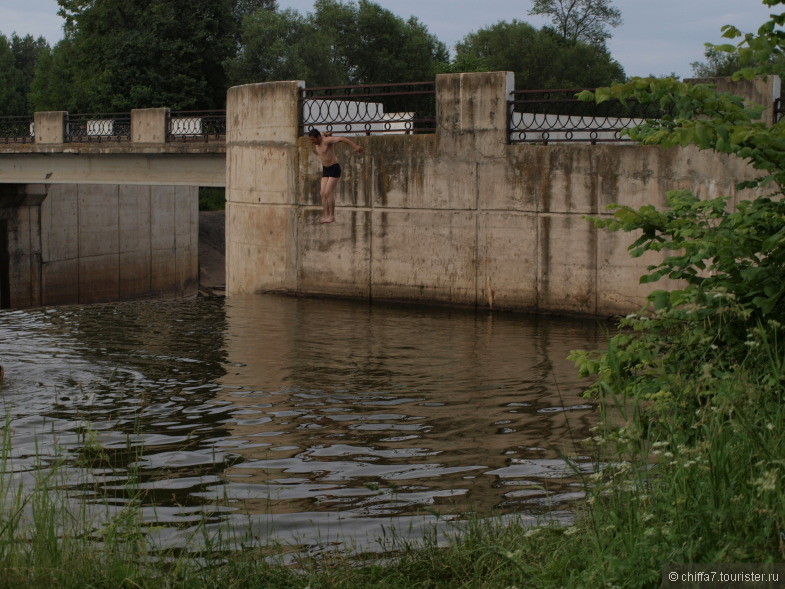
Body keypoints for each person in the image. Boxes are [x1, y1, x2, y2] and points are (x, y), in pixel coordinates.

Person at [307, 129, 364, 224]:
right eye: (311, 140)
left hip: (334, 168)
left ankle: (332, 216)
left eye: (313, 139)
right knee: (322, 193)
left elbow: (342, 139)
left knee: (328, 192)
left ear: (318, 137)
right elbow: (322, 132)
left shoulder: (326, 141)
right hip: (326, 169)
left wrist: (355, 146)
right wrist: (326, 133)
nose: (312, 142)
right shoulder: (319, 136)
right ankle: (326, 216)